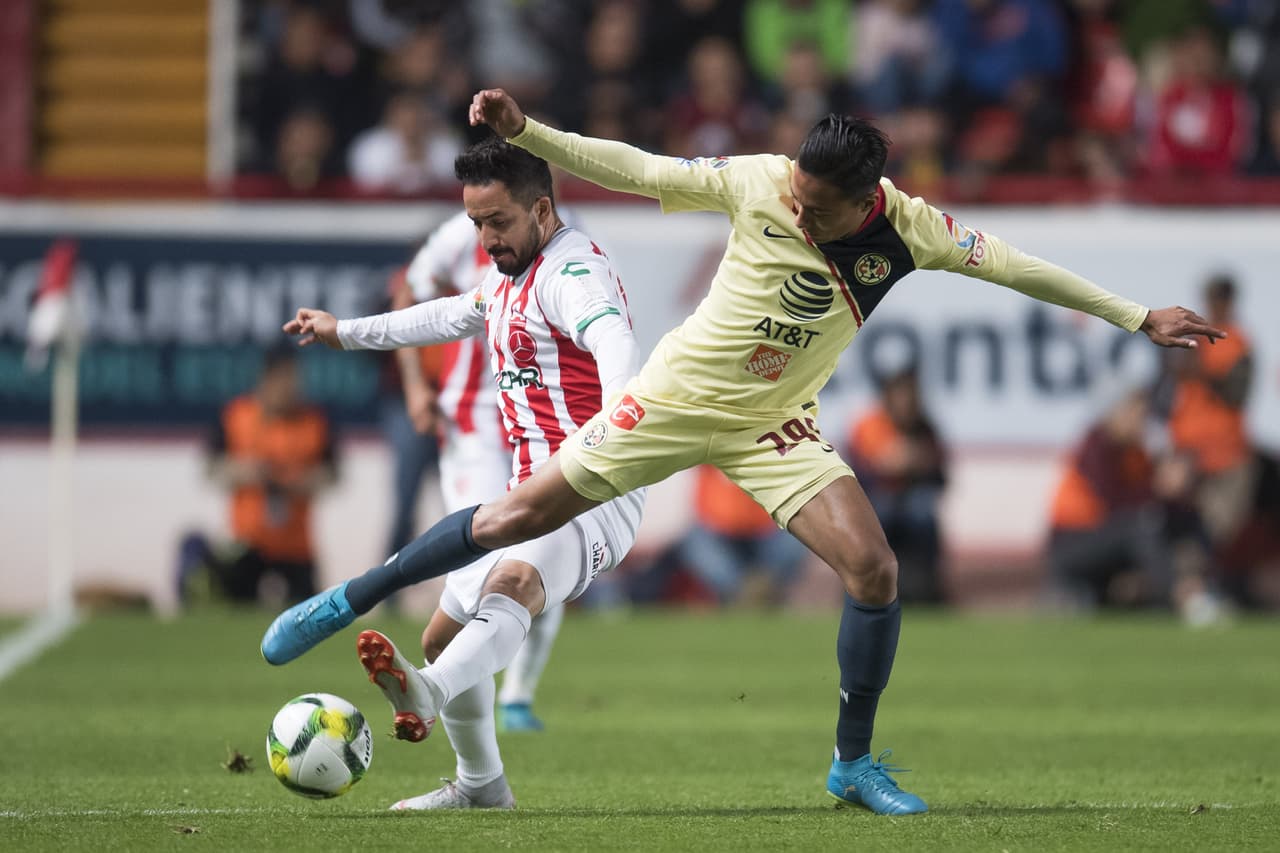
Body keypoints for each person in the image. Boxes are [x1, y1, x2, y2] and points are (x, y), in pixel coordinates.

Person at [262, 89, 1226, 815]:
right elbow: (640, 168)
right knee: (515, 515)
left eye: (815, 205)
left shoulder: (912, 231)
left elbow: (1016, 265)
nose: (796, 209)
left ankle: (853, 763)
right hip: (673, 400)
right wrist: (531, 133)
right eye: (794, 193)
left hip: (774, 424)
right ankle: (347, 598)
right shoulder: (761, 179)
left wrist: (1135, 314)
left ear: (863, 200)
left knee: (875, 568)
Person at [270, 138, 644, 810]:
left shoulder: (571, 272)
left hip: (594, 486)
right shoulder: (509, 275)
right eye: (476, 223)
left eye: (498, 221)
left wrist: (618, 413)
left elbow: (612, 337)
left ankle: (430, 690)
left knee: (513, 584)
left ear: (542, 209)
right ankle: (481, 785)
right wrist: (344, 331)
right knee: (441, 636)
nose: (486, 238)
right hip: (529, 489)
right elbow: (446, 314)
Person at [397, 207, 569, 732]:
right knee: (482, 556)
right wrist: (414, 384)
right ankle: (443, 678)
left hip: (543, 426)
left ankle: (514, 697)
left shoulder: (578, 238)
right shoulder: (463, 231)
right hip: (474, 421)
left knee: (547, 551)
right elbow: (408, 292)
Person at [199, 346, 338, 604]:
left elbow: (332, 475)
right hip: (247, 542)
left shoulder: (313, 421)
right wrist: (247, 472)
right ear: (265, 379)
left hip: (296, 546)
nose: (289, 388)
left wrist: (300, 481)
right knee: (235, 607)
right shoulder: (237, 415)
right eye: (282, 380)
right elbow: (211, 468)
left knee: (307, 615)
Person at [847, 368, 947, 604]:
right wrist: (898, 462)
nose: (907, 402)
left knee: (922, 512)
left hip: (911, 499)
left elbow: (940, 475)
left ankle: (927, 588)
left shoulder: (925, 427)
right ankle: (860, 589)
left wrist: (914, 462)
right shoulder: (871, 424)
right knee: (881, 514)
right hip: (874, 500)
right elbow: (867, 469)